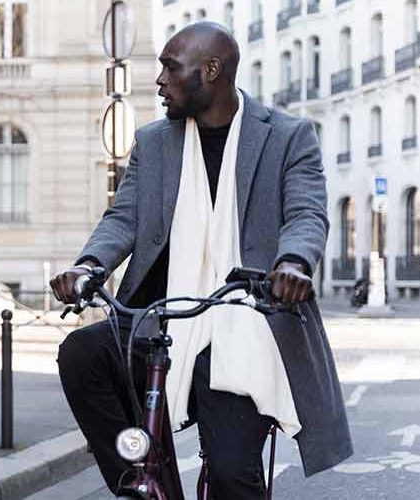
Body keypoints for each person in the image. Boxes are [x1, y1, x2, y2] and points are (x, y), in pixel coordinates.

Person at [51, 23, 351, 499]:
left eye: (171, 68)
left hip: (247, 322)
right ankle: (136, 479)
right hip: (163, 320)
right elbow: (122, 218)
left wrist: (293, 264)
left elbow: (306, 214)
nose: (159, 81)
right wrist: (89, 267)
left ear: (210, 71)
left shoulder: (288, 137)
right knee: (82, 353)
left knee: (233, 475)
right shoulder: (154, 143)